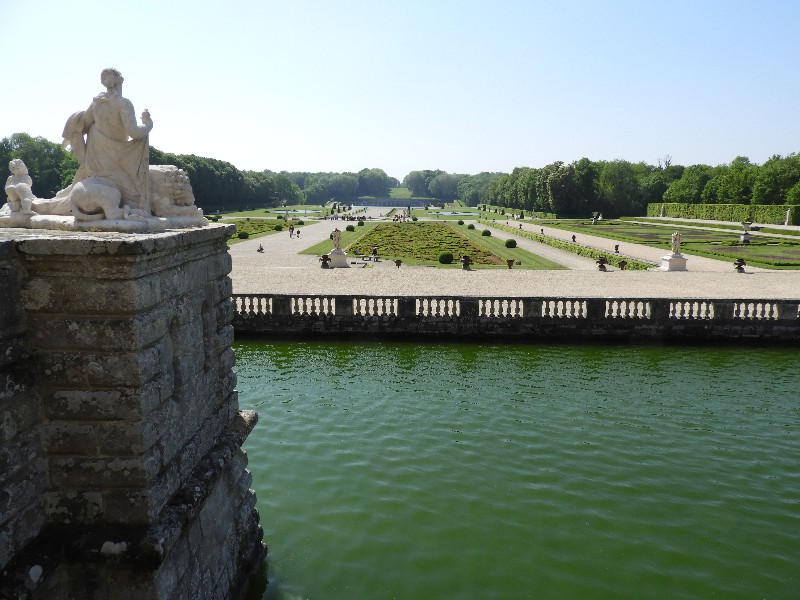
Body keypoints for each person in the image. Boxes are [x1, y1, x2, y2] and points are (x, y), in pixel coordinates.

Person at [61, 68, 153, 211]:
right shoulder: (123, 104)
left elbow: (83, 123)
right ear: (119, 81)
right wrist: (148, 124)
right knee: (134, 194)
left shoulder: (97, 103)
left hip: (95, 161)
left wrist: (72, 135)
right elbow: (134, 132)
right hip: (117, 161)